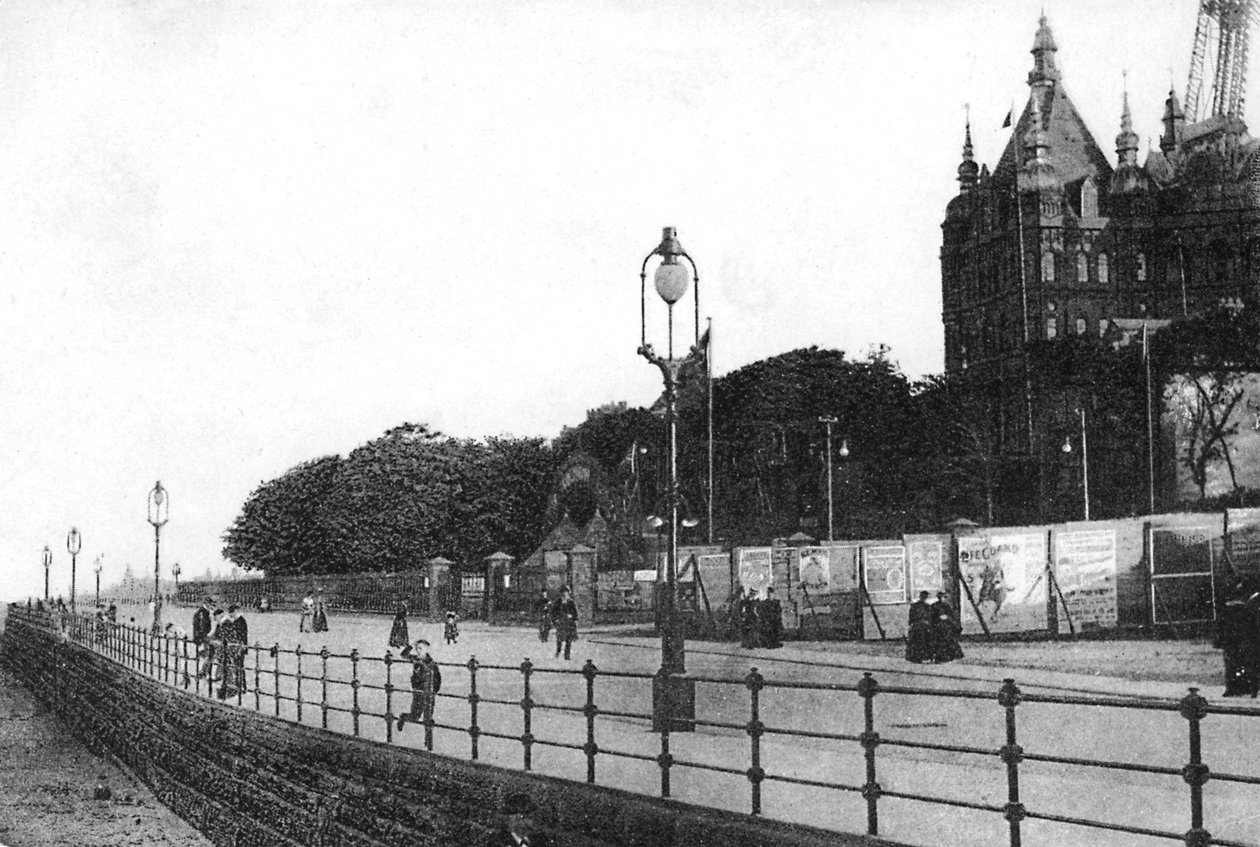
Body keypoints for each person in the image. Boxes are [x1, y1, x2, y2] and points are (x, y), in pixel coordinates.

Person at [1215, 583, 1259, 697]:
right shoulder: (1246, 608)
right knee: (1247, 664)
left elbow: (1220, 626)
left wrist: (1219, 641)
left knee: (1231, 665)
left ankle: (1234, 688)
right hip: (1243, 641)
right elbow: (1253, 626)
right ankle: (1249, 688)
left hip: (1231, 641)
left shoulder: (1226, 608)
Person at [396, 638, 442, 732]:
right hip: (418, 692)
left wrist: (435, 691)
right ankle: (403, 718)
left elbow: (438, 678)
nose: (418, 651)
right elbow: (403, 655)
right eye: (417, 648)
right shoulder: (416, 659)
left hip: (429, 693)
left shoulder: (432, 664)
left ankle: (428, 741)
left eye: (420, 648)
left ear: (426, 649)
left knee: (428, 718)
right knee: (415, 716)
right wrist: (410, 647)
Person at [484, 791, 551, 847]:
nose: (530, 822)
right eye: (524, 817)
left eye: (529, 817)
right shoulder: (499, 841)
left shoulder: (538, 841)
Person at [219, 604, 249, 700]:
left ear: (236, 611)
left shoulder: (240, 621)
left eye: (231, 613)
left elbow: (241, 636)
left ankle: (241, 686)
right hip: (238, 648)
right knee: (238, 667)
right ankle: (240, 686)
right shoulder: (238, 621)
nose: (230, 615)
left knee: (239, 667)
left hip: (238, 648)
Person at [930, 592, 964, 664]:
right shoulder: (934, 606)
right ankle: (939, 658)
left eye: (943, 597)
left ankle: (950, 656)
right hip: (937, 626)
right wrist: (938, 619)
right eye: (940, 597)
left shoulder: (947, 606)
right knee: (939, 641)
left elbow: (951, 616)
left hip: (946, 626)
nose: (942, 599)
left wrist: (947, 618)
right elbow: (931, 617)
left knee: (949, 638)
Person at [551, 586, 578, 660]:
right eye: (563, 593)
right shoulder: (558, 602)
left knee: (569, 640)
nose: (565, 594)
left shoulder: (571, 602)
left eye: (566, 592)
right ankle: (558, 652)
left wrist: (572, 616)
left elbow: (575, 613)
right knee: (559, 639)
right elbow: (553, 612)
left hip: (569, 624)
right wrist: (555, 620)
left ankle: (567, 655)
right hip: (561, 623)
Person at [906, 591, 933, 663]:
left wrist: (911, 624)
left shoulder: (922, 606)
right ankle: (920, 657)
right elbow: (911, 616)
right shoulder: (924, 606)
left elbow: (911, 617)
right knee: (921, 641)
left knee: (919, 641)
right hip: (921, 626)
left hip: (918, 625)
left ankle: (918, 657)